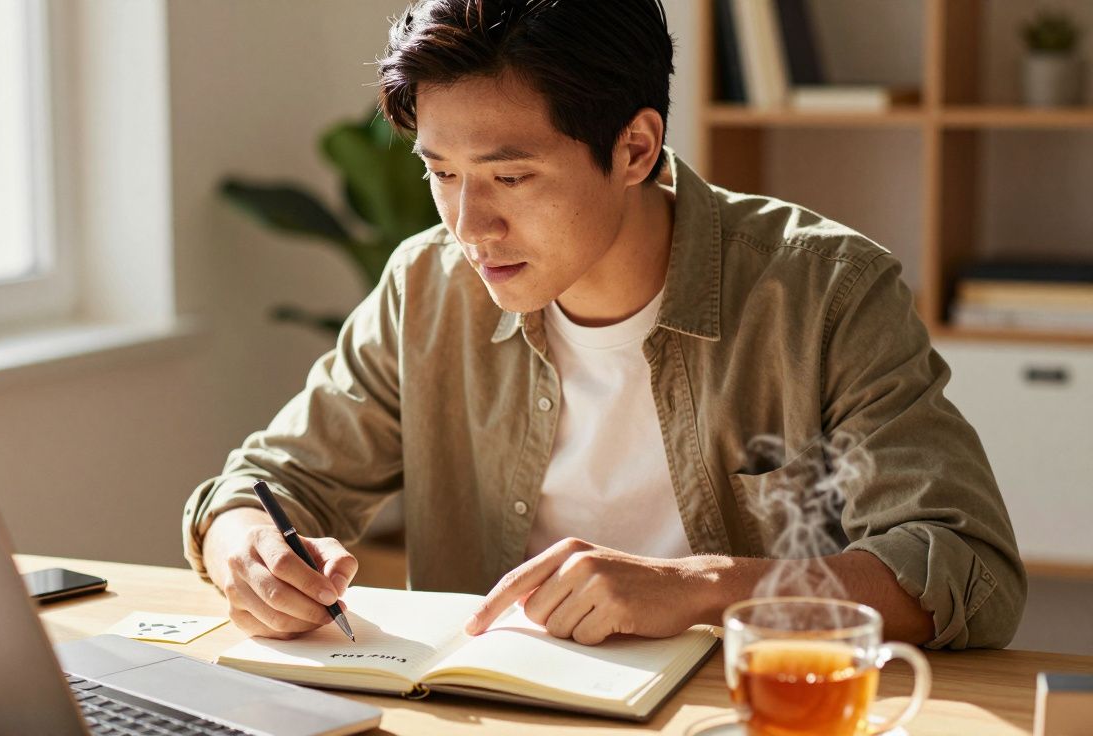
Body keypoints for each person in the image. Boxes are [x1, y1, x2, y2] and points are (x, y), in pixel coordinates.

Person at [183, 0, 1024, 650]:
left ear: (635, 149)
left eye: (510, 178)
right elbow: (265, 485)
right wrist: (247, 548)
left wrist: (700, 587)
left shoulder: (823, 291)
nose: (470, 227)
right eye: (442, 173)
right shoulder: (426, 286)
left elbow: (964, 566)